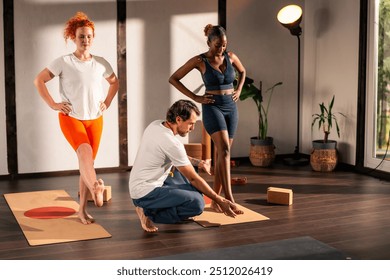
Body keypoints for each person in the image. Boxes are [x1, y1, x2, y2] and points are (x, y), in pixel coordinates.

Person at [33, 12, 119, 225]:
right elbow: (39, 80)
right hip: (71, 117)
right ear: (73, 37)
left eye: (89, 36)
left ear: (93, 37)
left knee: (86, 164)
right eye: (81, 36)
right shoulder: (63, 61)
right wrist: (53, 104)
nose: (86, 40)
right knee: (84, 152)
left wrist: (107, 102)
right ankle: (95, 187)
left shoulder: (100, 63)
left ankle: (82, 210)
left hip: (95, 119)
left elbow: (114, 83)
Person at [129, 100, 240, 232]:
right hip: (145, 193)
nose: (192, 128)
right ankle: (148, 213)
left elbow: (176, 156)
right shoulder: (172, 143)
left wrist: (199, 162)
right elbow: (193, 178)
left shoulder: (156, 125)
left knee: (196, 186)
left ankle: (155, 206)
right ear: (178, 119)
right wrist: (219, 199)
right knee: (197, 204)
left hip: (140, 185)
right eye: (191, 124)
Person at [169, 24, 246, 213]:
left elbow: (243, 72)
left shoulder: (231, 56)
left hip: (231, 107)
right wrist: (195, 98)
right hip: (213, 107)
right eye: (218, 45)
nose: (221, 49)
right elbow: (174, 78)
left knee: (222, 154)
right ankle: (229, 198)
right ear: (209, 43)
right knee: (225, 150)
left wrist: (239, 90)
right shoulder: (200, 60)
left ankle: (217, 199)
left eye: (224, 44)